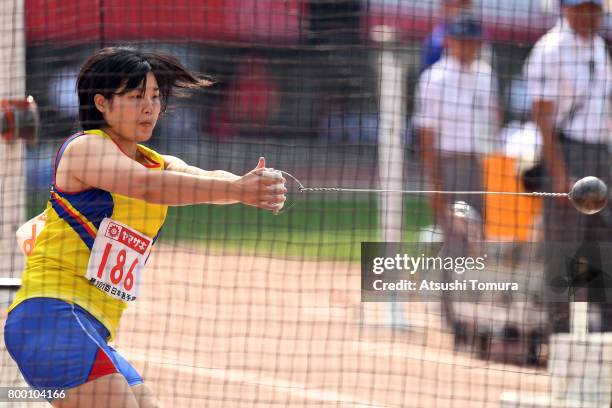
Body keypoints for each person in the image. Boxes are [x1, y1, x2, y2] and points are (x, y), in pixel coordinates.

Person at [3, 47, 286, 408]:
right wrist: (235, 189)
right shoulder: (86, 149)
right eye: (137, 97)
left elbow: (204, 179)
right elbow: (147, 188)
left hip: (90, 328)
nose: (150, 107)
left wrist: (249, 187)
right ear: (102, 103)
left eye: (154, 96)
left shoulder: (156, 162)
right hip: (52, 317)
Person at [524, 0, 612, 332]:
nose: (590, 15)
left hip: (600, 153)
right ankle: (559, 334)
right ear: (567, 10)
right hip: (567, 152)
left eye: (595, 9)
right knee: (563, 249)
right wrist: (560, 174)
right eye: (583, 8)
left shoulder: (600, 46)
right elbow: (543, 117)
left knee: (604, 245)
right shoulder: (551, 48)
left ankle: (607, 331)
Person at [421, 0, 472, 72]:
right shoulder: (436, 37)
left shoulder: (473, 29)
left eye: (464, 5)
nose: (461, 9)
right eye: (457, 5)